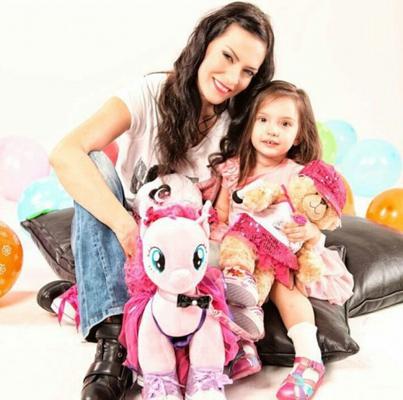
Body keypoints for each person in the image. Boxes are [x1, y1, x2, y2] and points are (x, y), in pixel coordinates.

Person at [36, 2, 275, 400]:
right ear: (204, 44)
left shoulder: (241, 122)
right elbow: (66, 152)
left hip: (189, 259)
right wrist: (124, 227)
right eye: (227, 57)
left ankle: (89, 302)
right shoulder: (150, 93)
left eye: (248, 71)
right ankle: (113, 339)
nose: (233, 78)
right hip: (133, 248)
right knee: (91, 161)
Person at [209, 80, 354, 399]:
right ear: (251, 123)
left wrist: (309, 232)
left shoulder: (298, 176)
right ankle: (242, 345)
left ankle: (309, 359)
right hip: (241, 251)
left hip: (282, 252)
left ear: (299, 134)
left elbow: (313, 220)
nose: (272, 130)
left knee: (282, 284)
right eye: (264, 120)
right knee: (224, 281)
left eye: (285, 124)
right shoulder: (233, 170)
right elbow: (221, 215)